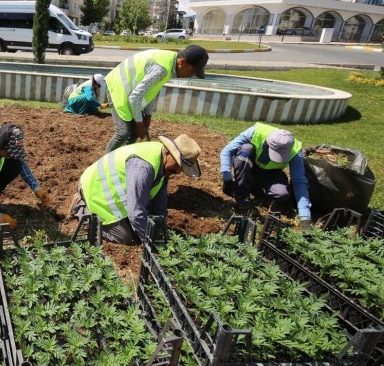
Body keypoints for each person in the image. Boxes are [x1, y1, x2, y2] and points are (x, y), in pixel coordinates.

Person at [72, 134, 202, 245]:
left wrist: (161, 229)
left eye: (183, 168)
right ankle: (82, 208)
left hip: (117, 191)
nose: (179, 171)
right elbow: (135, 212)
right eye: (179, 165)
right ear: (168, 153)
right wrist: (152, 242)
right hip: (96, 190)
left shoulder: (163, 163)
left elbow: (159, 204)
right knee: (124, 237)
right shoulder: (144, 167)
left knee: (147, 220)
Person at [104, 45, 209, 154]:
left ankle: (119, 159)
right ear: (182, 62)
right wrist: (140, 124)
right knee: (123, 132)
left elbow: (150, 92)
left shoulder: (169, 64)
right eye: (192, 71)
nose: (190, 76)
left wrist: (148, 116)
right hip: (118, 87)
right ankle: (104, 163)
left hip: (130, 91)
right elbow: (135, 97)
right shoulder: (162, 69)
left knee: (134, 133)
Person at [220, 122, 312, 229]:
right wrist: (227, 180)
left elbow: (299, 181)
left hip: (271, 173)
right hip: (250, 166)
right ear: (268, 144)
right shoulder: (256, 132)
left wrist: (305, 217)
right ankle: (242, 196)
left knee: (282, 194)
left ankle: (257, 189)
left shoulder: (295, 149)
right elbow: (226, 151)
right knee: (246, 149)